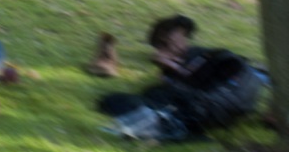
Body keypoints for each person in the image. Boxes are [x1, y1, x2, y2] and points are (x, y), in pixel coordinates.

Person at [98, 14, 268, 141]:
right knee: (150, 95)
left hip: (223, 99)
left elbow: (218, 76)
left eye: (181, 37)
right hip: (226, 102)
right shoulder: (178, 66)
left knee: (153, 95)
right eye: (169, 41)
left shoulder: (204, 55)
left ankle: (163, 122)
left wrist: (172, 71)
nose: (179, 44)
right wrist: (169, 69)